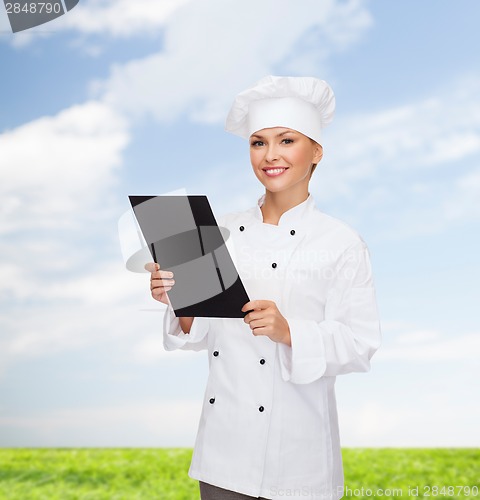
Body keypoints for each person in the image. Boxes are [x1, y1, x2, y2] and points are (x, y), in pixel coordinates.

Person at [146, 76, 381, 500]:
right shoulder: (214, 231)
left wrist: (289, 331)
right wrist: (178, 299)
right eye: (258, 143)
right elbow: (199, 333)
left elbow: (359, 344)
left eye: (286, 140)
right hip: (223, 456)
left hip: (300, 459)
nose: (270, 155)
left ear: (317, 152)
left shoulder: (341, 242)